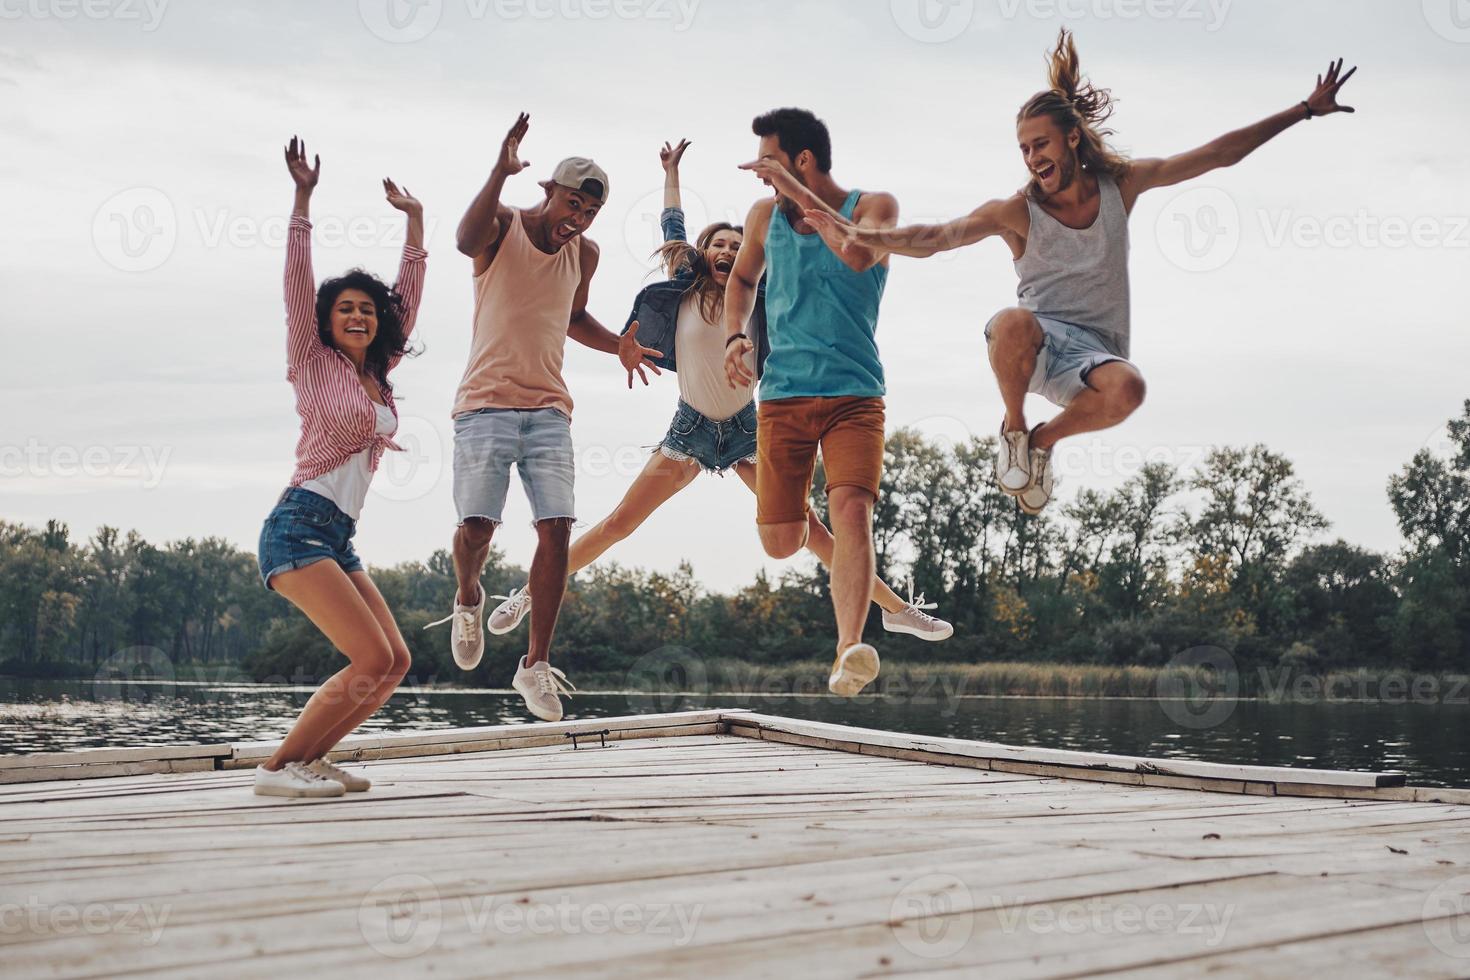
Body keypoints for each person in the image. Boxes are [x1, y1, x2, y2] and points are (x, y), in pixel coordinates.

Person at [807, 29, 1357, 515]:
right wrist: (861, 235)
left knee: (1131, 388)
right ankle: (1015, 429)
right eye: (1023, 149)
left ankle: (1043, 444)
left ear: (1071, 138)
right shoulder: (1016, 211)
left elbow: (1216, 155)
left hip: (1096, 351)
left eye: (1040, 144)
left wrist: (1304, 110)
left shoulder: (1123, 186)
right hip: (1038, 346)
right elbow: (936, 237)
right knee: (1011, 320)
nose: (1031, 157)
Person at [487, 139, 952, 644]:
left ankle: (897, 609)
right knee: (620, 522)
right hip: (688, 430)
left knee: (810, 531)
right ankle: (529, 593)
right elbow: (673, 226)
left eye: (737, 246)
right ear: (704, 254)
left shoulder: (762, 302)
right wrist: (670, 171)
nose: (728, 252)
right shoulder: (682, 291)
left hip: (748, 433)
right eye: (719, 245)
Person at [432, 112, 662, 723]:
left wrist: (619, 345)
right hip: (484, 402)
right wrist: (497, 172)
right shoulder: (502, 226)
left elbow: (573, 316)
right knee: (476, 529)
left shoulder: (584, 254)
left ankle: (534, 664)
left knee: (557, 527)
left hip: (548, 409)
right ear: (548, 192)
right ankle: (467, 596)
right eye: (571, 205)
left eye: (589, 213)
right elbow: (461, 240)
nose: (577, 220)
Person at [253, 136, 425, 798]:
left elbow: (406, 298)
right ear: (326, 321)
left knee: (396, 661)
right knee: (371, 657)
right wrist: (302, 199)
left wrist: (414, 225)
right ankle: (278, 770)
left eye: (366, 308)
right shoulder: (311, 359)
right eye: (345, 308)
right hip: (297, 527)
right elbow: (297, 282)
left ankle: (312, 757)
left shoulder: (379, 372)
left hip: (338, 535)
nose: (358, 314)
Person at [721, 108, 902, 699]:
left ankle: (849, 646)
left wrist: (793, 189)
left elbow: (854, 253)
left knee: (852, 510)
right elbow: (743, 279)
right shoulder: (762, 217)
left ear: (801, 161)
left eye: (767, 163)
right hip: (782, 398)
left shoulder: (875, 207)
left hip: (855, 395)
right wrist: (736, 334)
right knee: (779, 540)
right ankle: (799, 526)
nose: (758, 176)